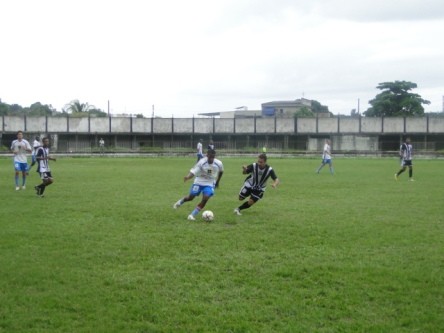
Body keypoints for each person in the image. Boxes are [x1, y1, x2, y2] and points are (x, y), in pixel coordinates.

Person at [173, 149, 224, 220]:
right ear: (207, 155)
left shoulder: (219, 163)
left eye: (213, 157)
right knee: (190, 198)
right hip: (199, 181)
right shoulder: (202, 162)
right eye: (210, 157)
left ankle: (192, 215)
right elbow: (193, 172)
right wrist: (188, 177)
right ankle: (180, 202)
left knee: (205, 198)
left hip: (209, 183)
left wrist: (218, 181)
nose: (211, 159)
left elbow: (221, 171)